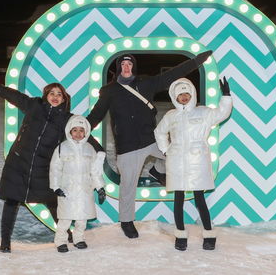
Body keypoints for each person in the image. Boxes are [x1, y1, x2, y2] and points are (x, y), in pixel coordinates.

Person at [86, 50, 212, 238]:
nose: (126, 67)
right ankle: (126, 221)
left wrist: (196, 61)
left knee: (177, 153)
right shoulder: (109, 92)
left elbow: (171, 75)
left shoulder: (145, 83)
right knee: (128, 185)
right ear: (119, 68)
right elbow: (95, 115)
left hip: (150, 139)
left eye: (129, 64)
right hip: (127, 145)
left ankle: (157, 169)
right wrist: (77, 128)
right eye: (122, 64)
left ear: (133, 67)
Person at [0, 71, 103, 253]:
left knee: (53, 202)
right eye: (52, 93)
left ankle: (68, 236)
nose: (55, 97)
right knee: (11, 200)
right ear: (46, 95)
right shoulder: (35, 106)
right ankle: (5, 242)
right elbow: (15, 96)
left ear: (64, 98)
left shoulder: (67, 119)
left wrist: (100, 151)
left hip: (44, 167)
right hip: (18, 163)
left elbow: (85, 133)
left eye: (59, 94)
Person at [154, 77, 232, 251]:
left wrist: (226, 96)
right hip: (177, 163)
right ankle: (180, 235)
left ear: (193, 94)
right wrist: (166, 150)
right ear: (175, 97)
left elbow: (222, 113)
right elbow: (159, 132)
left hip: (198, 162)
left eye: (187, 93)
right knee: (178, 199)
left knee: (199, 199)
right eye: (180, 94)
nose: (184, 97)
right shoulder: (171, 116)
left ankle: (209, 234)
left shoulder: (203, 113)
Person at [49, 115, 107, 252]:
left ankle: (79, 238)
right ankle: (61, 241)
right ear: (69, 131)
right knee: (65, 219)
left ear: (86, 132)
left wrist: (100, 187)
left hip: (85, 190)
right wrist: (56, 186)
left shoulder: (89, 149)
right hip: (67, 189)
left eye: (81, 130)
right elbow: (55, 168)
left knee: (82, 219)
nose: (78, 133)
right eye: (75, 130)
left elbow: (95, 171)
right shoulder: (62, 148)